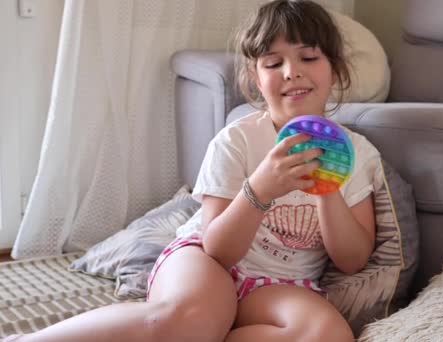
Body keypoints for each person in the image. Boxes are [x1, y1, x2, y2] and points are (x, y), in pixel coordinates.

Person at [9, 1, 381, 341]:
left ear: (335, 69)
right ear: (255, 77)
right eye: (273, 63)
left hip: (280, 284)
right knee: (186, 319)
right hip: (205, 261)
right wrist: (260, 189)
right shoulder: (237, 140)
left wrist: (328, 187)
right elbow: (218, 248)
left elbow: (351, 260)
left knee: (328, 334)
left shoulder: (357, 155)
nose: (291, 73)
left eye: (308, 58)